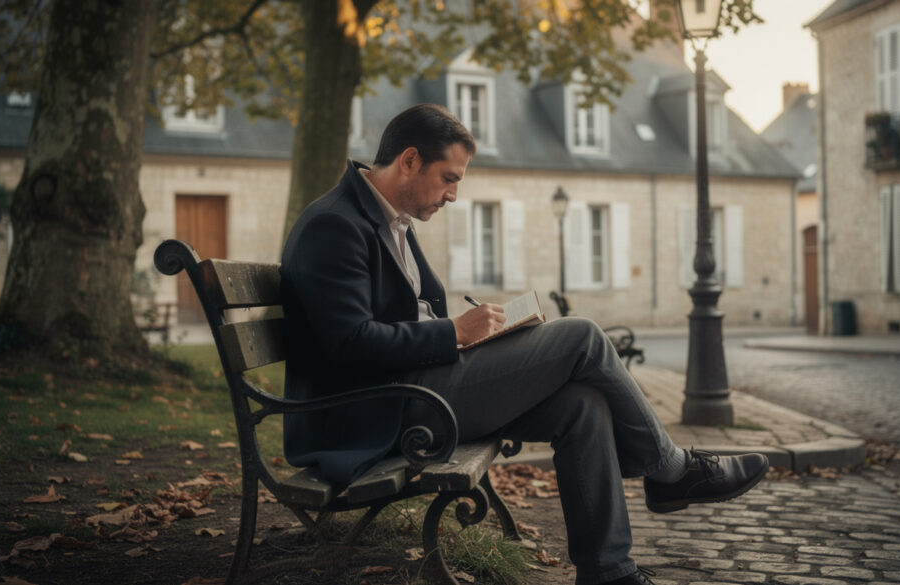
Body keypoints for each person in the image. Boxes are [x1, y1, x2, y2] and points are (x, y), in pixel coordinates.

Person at [280, 103, 769, 585]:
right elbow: (348, 345)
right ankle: (671, 470)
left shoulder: (391, 219)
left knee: (583, 402)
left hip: (417, 388)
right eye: (449, 178)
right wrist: (455, 332)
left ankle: (608, 573)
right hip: (379, 412)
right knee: (582, 335)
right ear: (409, 161)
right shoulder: (336, 224)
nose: (453, 194)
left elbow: (400, 319)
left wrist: (479, 334)